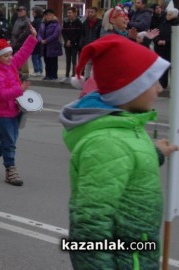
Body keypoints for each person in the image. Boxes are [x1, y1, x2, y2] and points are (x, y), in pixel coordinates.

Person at [60, 34, 178, 269]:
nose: (160, 88)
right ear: (130, 90)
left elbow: (123, 165)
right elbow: (90, 227)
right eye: (153, 80)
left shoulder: (125, 126)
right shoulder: (108, 142)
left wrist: (153, 153)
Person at [0, 24, 38, 186]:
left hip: (15, 110)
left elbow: (23, 53)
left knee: (9, 141)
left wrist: (32, 38)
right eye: (6, 56)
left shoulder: (10, 65)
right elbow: (1, 94)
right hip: (1, 113)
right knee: (9, 142)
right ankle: (10, 171)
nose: (11, 58)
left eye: (10, 54)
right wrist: (20, 89)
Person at [153, 0, 179, 89]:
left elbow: (175, 38)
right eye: (167, 14)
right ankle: (163, 83)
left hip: (172, 50)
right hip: (162, 50)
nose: (167, 16)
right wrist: (157, 40)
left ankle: (175, 85)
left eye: (170, 15)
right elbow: (157, 33)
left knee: (174, 69)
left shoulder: (176, 25)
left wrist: (166, 42)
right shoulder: (163, 23)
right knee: (163, 68)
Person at [38, 9, 62, 81]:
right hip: (44, 46)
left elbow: (56, 34)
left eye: (49, 15)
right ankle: (47, 75)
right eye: (46, 15)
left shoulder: (56, 24)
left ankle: (53, 75)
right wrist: (40, 40)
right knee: (46, 61)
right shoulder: (42, 24)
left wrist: (47, 40)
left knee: (53, 61)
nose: (48, 16)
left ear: (53, 15)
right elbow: (39, 33)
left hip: (53, 45)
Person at [79, 6, 101, 78]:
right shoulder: (85, 23)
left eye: (92, 12)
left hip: (96, 46)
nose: (90, 14)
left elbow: (100, 35)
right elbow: (82, 34)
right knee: (87, 63)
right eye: (89, 12)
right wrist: (82, 43)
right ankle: (86, 78)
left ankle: (94, 78)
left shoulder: (99, 23)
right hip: (87, 45)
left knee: (95, 63)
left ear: (96, 13)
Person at [61, 7, 83, 82]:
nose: (68, 14)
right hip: (67, 44)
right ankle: (67, 75)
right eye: (68, 13)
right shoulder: (66, 22)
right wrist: (66, 41)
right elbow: (63, 32)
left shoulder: (78, 23)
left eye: (70, 13)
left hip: (75, 44)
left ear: (74, 13)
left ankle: (73, 75)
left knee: (74, 60)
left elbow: (78, 34)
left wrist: (71, 41)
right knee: (67, 60)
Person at [10, 5, 32, 79]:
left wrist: (18, 39)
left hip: (22, 42)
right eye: (18, 11)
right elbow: (14, 31)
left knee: (23, 58)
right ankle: (17, 72)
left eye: (21, 11)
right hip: (14, 41)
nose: (19, 12)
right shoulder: (17, 20)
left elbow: (26, 33)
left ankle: (25, 73)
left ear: (25, 12)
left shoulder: (27, 21)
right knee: (15, 57)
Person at [30, 7, 43, 77]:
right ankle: (40, 70)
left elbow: (35, 31)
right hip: (40, 41)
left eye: (33, 12)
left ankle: (37, 70)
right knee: (38, 56)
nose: (32, 13)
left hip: (36, 41)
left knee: (34, 56)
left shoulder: (36, 21)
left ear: (36, 13)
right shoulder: (41, 20)